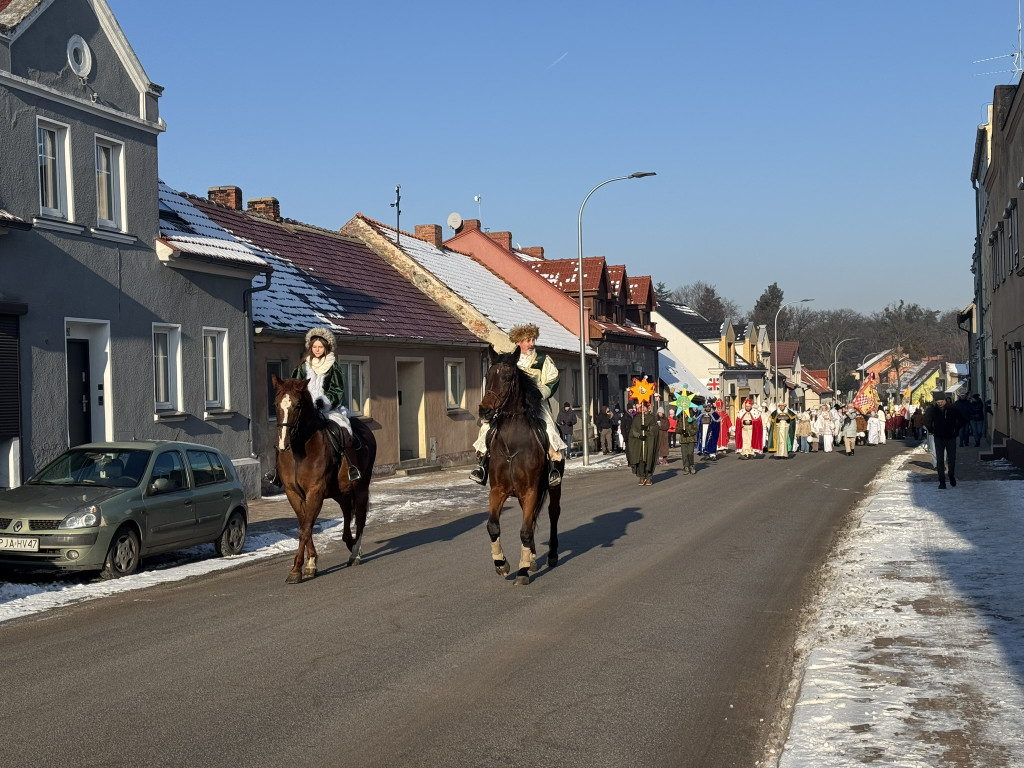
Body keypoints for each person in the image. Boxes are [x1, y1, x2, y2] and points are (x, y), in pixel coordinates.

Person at [471, 324, 564, 486]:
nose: (532, 343)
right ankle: (482, 465)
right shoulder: (508, 360)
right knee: (488, 428)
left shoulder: (542, 360)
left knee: (548, 429)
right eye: (528, 340)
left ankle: (552, 467)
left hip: (535, 405)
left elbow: (553, 379)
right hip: (509, 406)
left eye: (533, 339)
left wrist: (540, 392)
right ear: (518, 341)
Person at [292, 327, 362, 481]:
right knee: (288, 431)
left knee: (344, 430)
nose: (317, 350)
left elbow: (338, 389)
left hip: (329, 409)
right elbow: (294, 386)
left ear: (326, 347)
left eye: (320, 347)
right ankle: (279, 472)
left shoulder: (333, 366)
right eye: (314, 347)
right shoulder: (302, 366)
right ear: (310, 347)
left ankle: (351, 467)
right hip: (305, 409)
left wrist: (323, 402)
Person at [924, 389, 967, 489]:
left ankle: (951, 475)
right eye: (938, 402)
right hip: (938, 437)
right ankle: (942, 482)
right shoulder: (932, 410)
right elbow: (927, 421)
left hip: (951, 437)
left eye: (941, 402)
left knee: (951, 458)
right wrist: (932, 430)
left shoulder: (953, 408)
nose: (940, 404)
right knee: (940, 460)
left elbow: (962, 420)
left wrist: (956, 430)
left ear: (945, 400)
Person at [627, 400, 660, 485]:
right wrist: (639, 436)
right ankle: (642, 477)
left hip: (649, 442)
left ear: (647, 408)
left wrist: (647, 429)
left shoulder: (652, 418)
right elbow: (633, 430)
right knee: (640, 460)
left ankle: (649, 477)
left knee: (648, 459)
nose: (642, 409)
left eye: (644, 407)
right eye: (641, 407)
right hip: (639, 443)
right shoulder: (637, 418)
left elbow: (655, 429)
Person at [675, 405, 698, 474]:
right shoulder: (680, 420)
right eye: (683, 412)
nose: (685, 413)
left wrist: (689, 433)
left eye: (686, 412)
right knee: (684, 454)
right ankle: (686, 466)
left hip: (691, 439)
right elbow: (677, 429)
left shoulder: (692, 419)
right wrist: (681, 431)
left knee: (690, 453)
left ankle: (691, 465)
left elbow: (696, 428)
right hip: (683, 439)